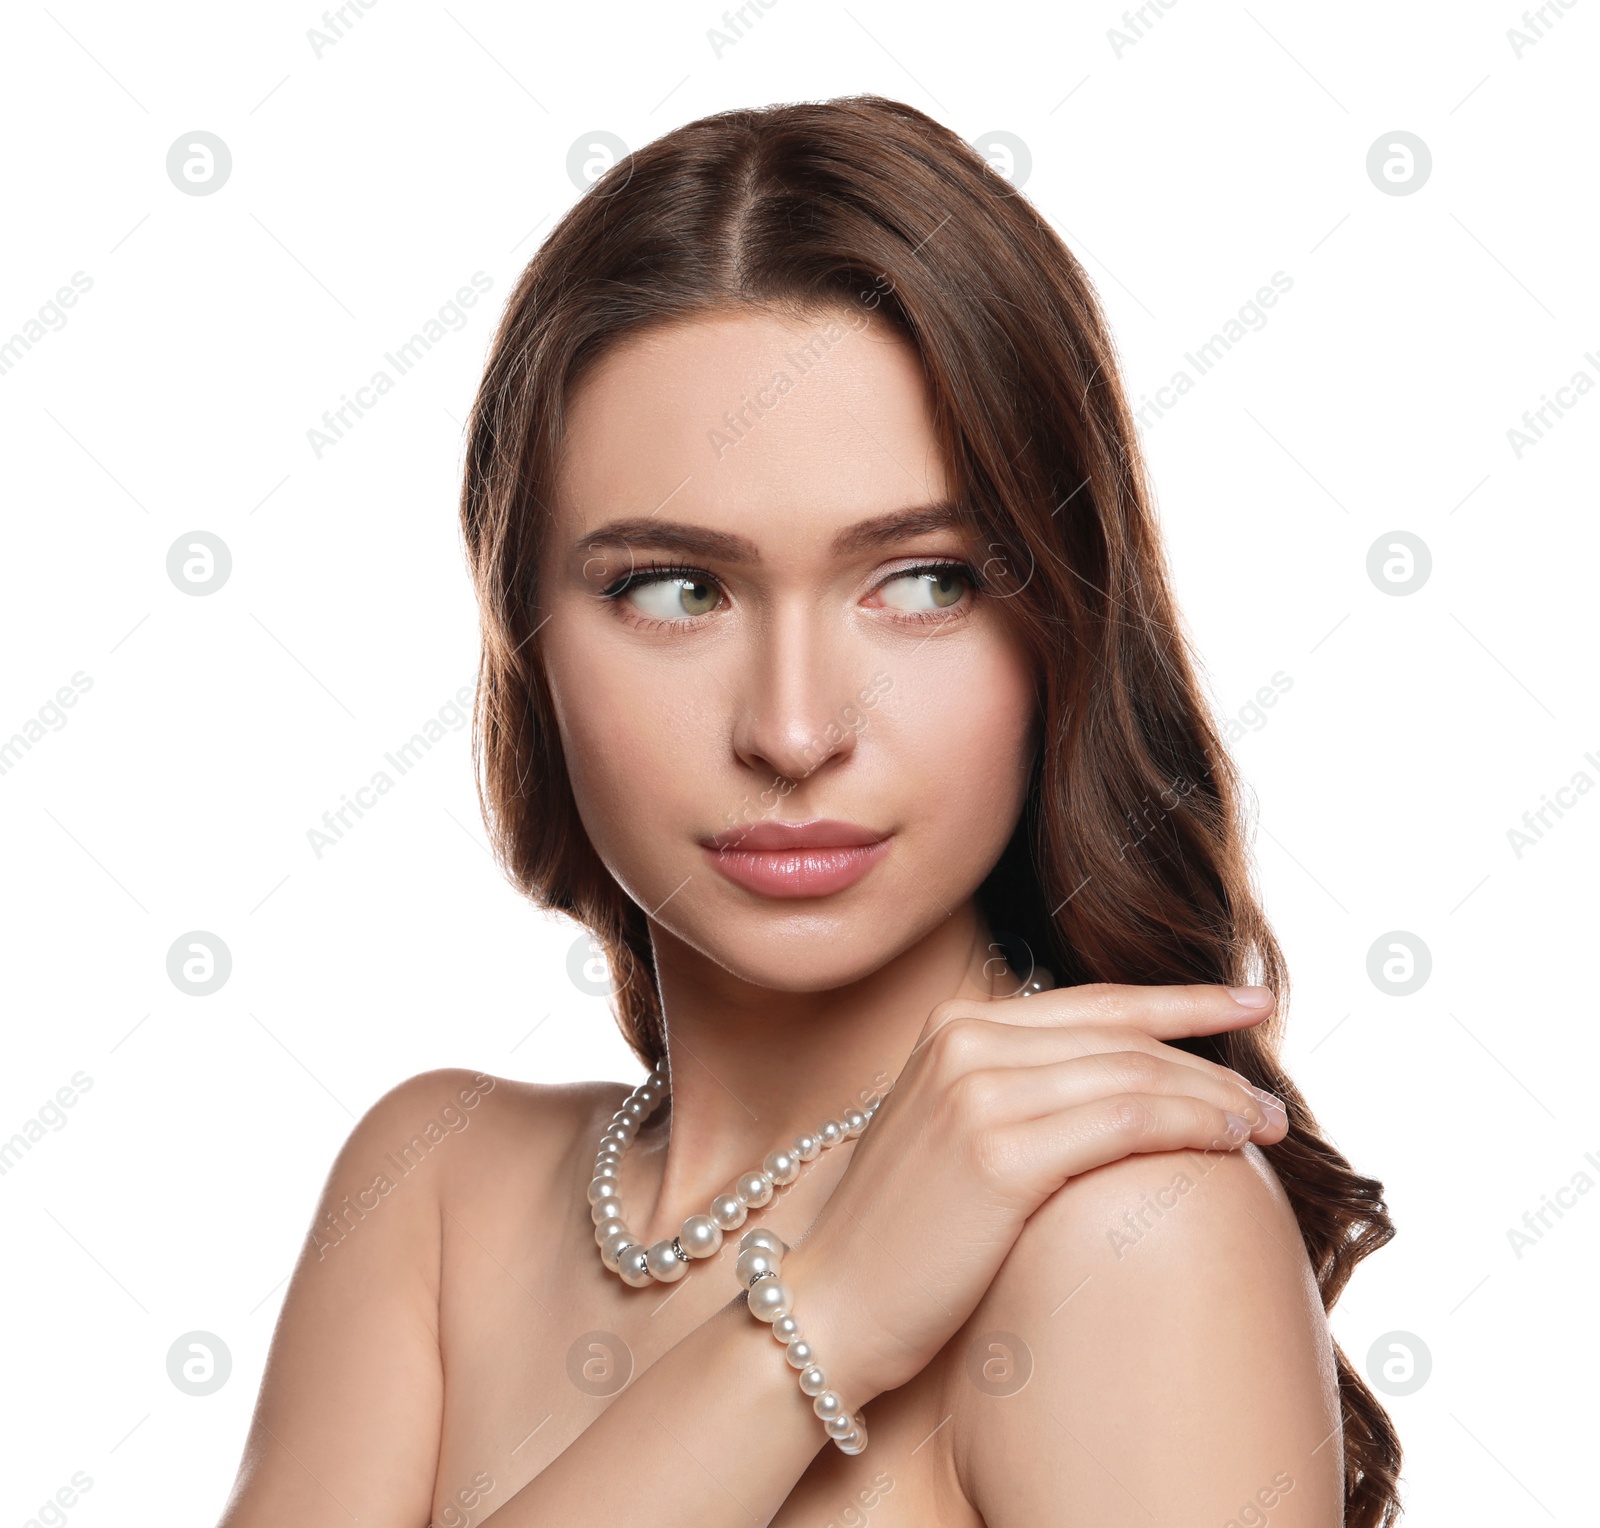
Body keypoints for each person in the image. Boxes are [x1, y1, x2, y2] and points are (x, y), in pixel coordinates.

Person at [218, 95, 1401, 1527]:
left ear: (1064, 624)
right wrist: (825, 1318)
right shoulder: (435, 1190)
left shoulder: (1126, 1232)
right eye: (674, 588)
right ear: (523, 638)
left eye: (924, 581)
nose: (791, 729)